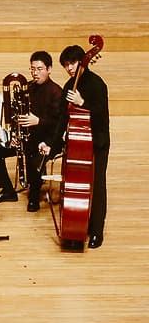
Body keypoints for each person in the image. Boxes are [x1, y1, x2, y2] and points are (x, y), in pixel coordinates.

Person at [40, 44, 109, 249]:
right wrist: (52, 147)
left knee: (97, 186)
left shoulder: (97, 84)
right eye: (66, 65)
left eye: (73, 63)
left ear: (82, 62)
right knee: (75, 185)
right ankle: (77, 223)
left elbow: (101, 115)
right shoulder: (69, 85)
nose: (69, 68)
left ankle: (96, 231)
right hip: (77, 142)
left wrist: (82, 102)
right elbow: (63, 119)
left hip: (97, 142)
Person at [0, 51, 62, 211]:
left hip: (48, 140)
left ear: (49, 69)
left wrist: (38, 121)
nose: (35, 73)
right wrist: (14, 135)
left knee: (33, 158)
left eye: (39, 69)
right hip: (26, 138)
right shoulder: (28, 88)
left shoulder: (56, 92)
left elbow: (59, 124)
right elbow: (16, 116)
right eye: (32, 69)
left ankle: (34, 196)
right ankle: (7, 190)